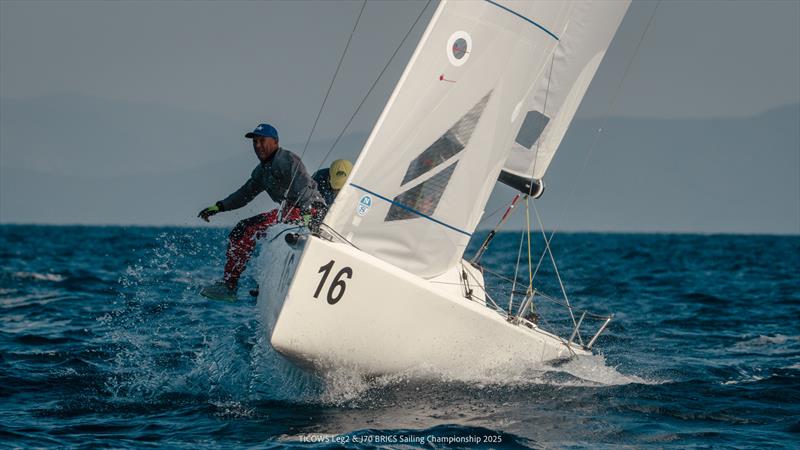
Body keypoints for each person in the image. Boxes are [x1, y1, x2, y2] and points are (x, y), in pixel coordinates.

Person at [198, 123, 326, 301]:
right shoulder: (262, 171)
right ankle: (262, 285)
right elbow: (245, 194)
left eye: (262, 141)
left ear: (275, 142)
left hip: (309, 212)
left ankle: (230, 287)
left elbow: (303, 185)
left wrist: (308, 216)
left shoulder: (286, 160)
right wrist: (220, 206)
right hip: (290, 214)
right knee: (241, 230)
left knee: (247, 229)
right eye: (255, 142)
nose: (258, 146)